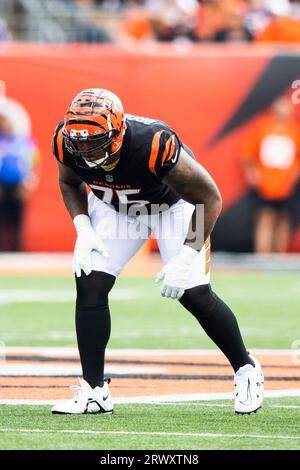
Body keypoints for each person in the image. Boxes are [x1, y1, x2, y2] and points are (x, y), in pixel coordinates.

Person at [51, 88, 264, 415]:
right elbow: (69, 182)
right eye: (78, 143)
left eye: (94, 142)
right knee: (90, 281)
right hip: (117, 208)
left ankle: (247, 368)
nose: (85, 150)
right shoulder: (66, 143)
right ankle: (94, 391)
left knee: (193, 293)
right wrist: (82, 226)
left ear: (118, 134)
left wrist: (186, 255)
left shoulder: (155, 145)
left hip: (175, 207)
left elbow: (209, 199)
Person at [240, 95, 300, 253]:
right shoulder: (262, 128)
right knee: (265, 217)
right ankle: (263, 255)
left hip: (287, 185)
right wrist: (252, 171)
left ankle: (279, 256)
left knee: (284, 219)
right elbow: (247, 153)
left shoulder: (295, 131)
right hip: (265, 184)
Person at [0, 114, 39, 251]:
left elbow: (34, 162)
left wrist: (28, 183)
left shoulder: (24, 141)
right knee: (2, 220)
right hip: (1, 187)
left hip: (18, 187)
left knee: (17, 220)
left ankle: (17, 249)